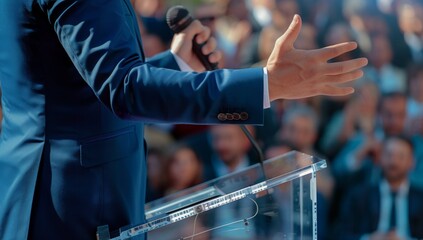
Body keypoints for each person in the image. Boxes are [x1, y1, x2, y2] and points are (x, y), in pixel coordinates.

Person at [0, 0, 367, 239]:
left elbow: (78, 84)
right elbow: (124, 88)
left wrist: (174, 66)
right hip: (68, 209)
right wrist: (264, 84)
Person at [335, 135, 423, 240]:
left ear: (411, 162)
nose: (394, 162)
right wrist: (368, 238)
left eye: (401, 156)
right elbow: (340, 234)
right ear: (379, 158)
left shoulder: (421, 199)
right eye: (389, 155)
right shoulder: (358, 196)